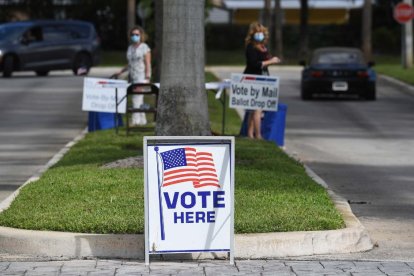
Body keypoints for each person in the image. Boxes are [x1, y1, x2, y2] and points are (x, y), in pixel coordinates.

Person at [243, 22, 280, 139]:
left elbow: (264, 62)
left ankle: (250, 134)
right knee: (257, 109)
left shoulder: (263, 47)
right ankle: (258, 135)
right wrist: (271, 61)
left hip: (263, 79)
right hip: (253, 80)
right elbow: (254, 64)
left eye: (261, 33)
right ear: (252, 34)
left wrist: (270, 60)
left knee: (254, 110)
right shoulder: (250, 47)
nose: (260, 35)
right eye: (257, 33)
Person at [113, 26, 151, 126]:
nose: (134, 36)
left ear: (141, 36)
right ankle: (143, 121)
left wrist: (147, 77)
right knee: (139, 98)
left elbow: (147, 63)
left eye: (137, 35)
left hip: (141, 77)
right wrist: (121, 71)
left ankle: (135, 120)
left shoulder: (144, 47)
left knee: (136, 98)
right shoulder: (130, 48)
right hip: (132, 76)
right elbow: (130, 63)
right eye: (133, 34)